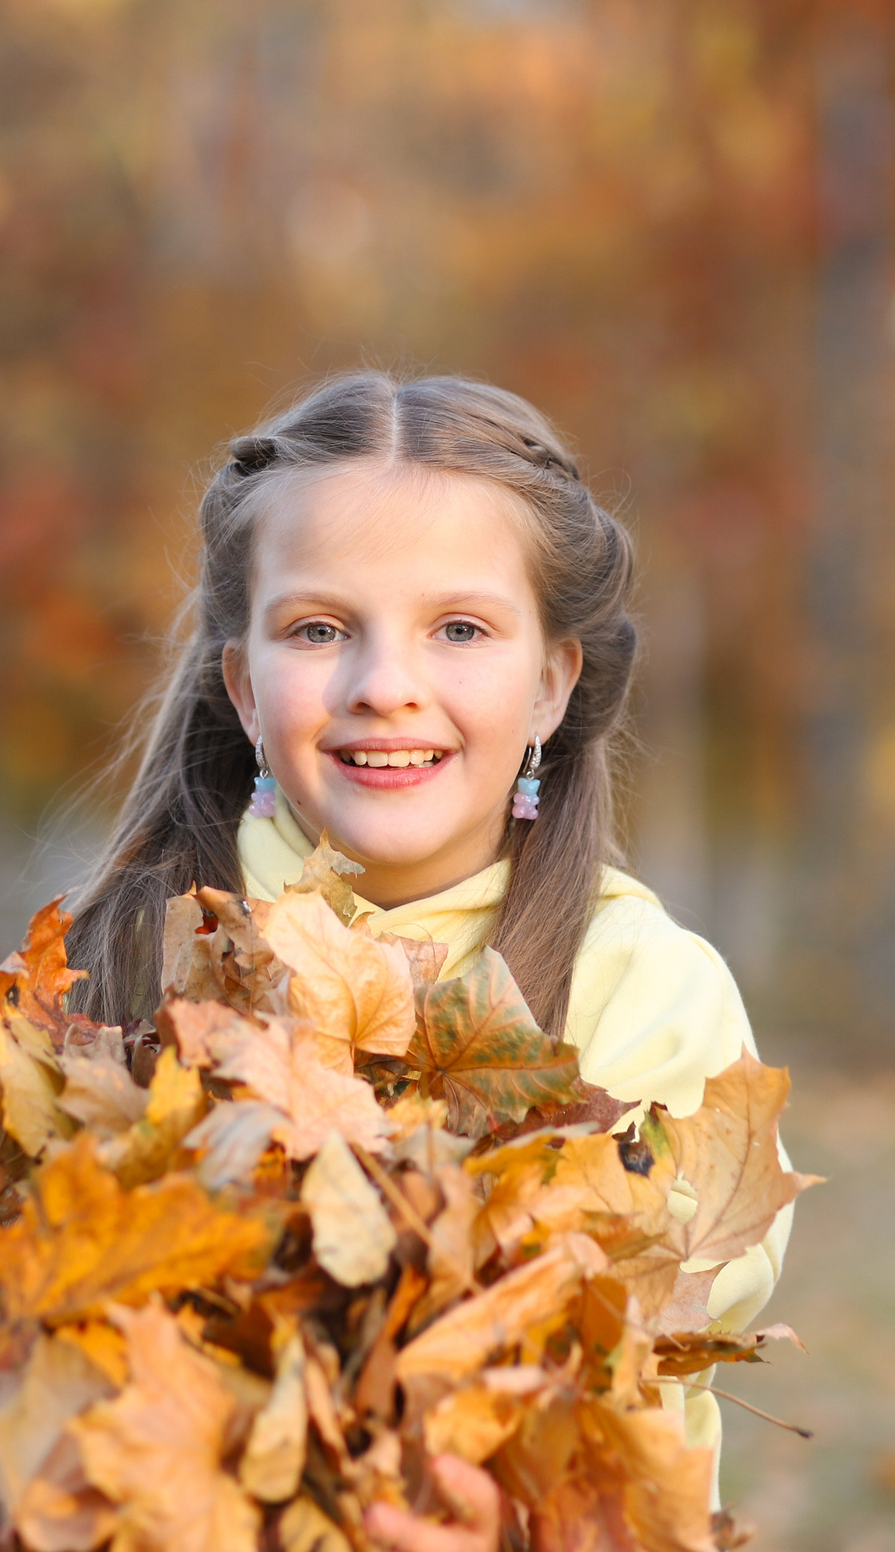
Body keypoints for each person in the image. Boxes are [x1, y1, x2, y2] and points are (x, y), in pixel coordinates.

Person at [70, 370, 789, 1551]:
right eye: (318, 630)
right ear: (244, 687)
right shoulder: (111, 967)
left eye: (458, 629)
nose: (384, 687)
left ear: (550, 681)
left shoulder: (646, 995)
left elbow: (617, 1339)